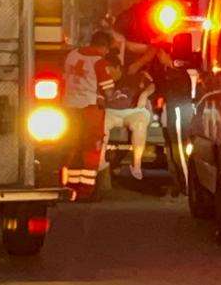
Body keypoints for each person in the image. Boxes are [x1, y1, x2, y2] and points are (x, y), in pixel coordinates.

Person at [61, 30, 114, 200]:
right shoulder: (99, 62)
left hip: (69, 107)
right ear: (104, 47)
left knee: (73, 146)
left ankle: (70, 188)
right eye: (107, 49)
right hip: (90, 110)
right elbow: (109, 91)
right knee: (92, 148)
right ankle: (86, 190)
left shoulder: (72, 55)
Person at [101, 54, 156, 180]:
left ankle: (136, 165)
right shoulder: (102, 79)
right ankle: (101, 162)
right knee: (101, 124)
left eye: (110, 70)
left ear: (118, 67)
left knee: (140, 125)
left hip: (132, 112)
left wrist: (144, 94)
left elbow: (152, 85)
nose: (108, 74)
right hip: (111, 112)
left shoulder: (134, 76)